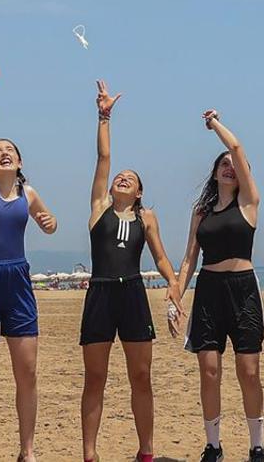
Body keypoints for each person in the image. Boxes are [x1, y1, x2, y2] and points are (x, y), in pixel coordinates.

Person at [79, 80, 184, 462]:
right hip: (100, 293)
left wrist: (173, 285)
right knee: (95, 378)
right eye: (119, 177)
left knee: (141, 377)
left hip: (133, 294)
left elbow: (160, 258)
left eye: (131, 178)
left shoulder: (147, 216)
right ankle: (90, 453)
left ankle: (146, 452)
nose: (122, 177)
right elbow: (103, 160)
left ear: (139, 192)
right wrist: (104, 116)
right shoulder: (98, 209)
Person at [0, 60, 57, 462]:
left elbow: (48, 223)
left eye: (9, 151)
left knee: (27, 374)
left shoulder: (29, 193)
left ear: (19, 162)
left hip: (18, 281)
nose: (2, 153)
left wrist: (50, 224)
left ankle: (28, 450)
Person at [172, 109, 264, 462]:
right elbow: (188, 259)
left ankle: (257, 444)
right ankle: (213, 445)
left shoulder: (249, 203)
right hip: (208, 290)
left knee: (249, 370)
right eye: (222, 164)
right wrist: (175, 298)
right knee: (209, 371)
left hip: (243, 290)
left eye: (233, 164)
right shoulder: (202, 211)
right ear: (214, 172)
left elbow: (238, 147)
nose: (229, 166)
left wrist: (214, 125)